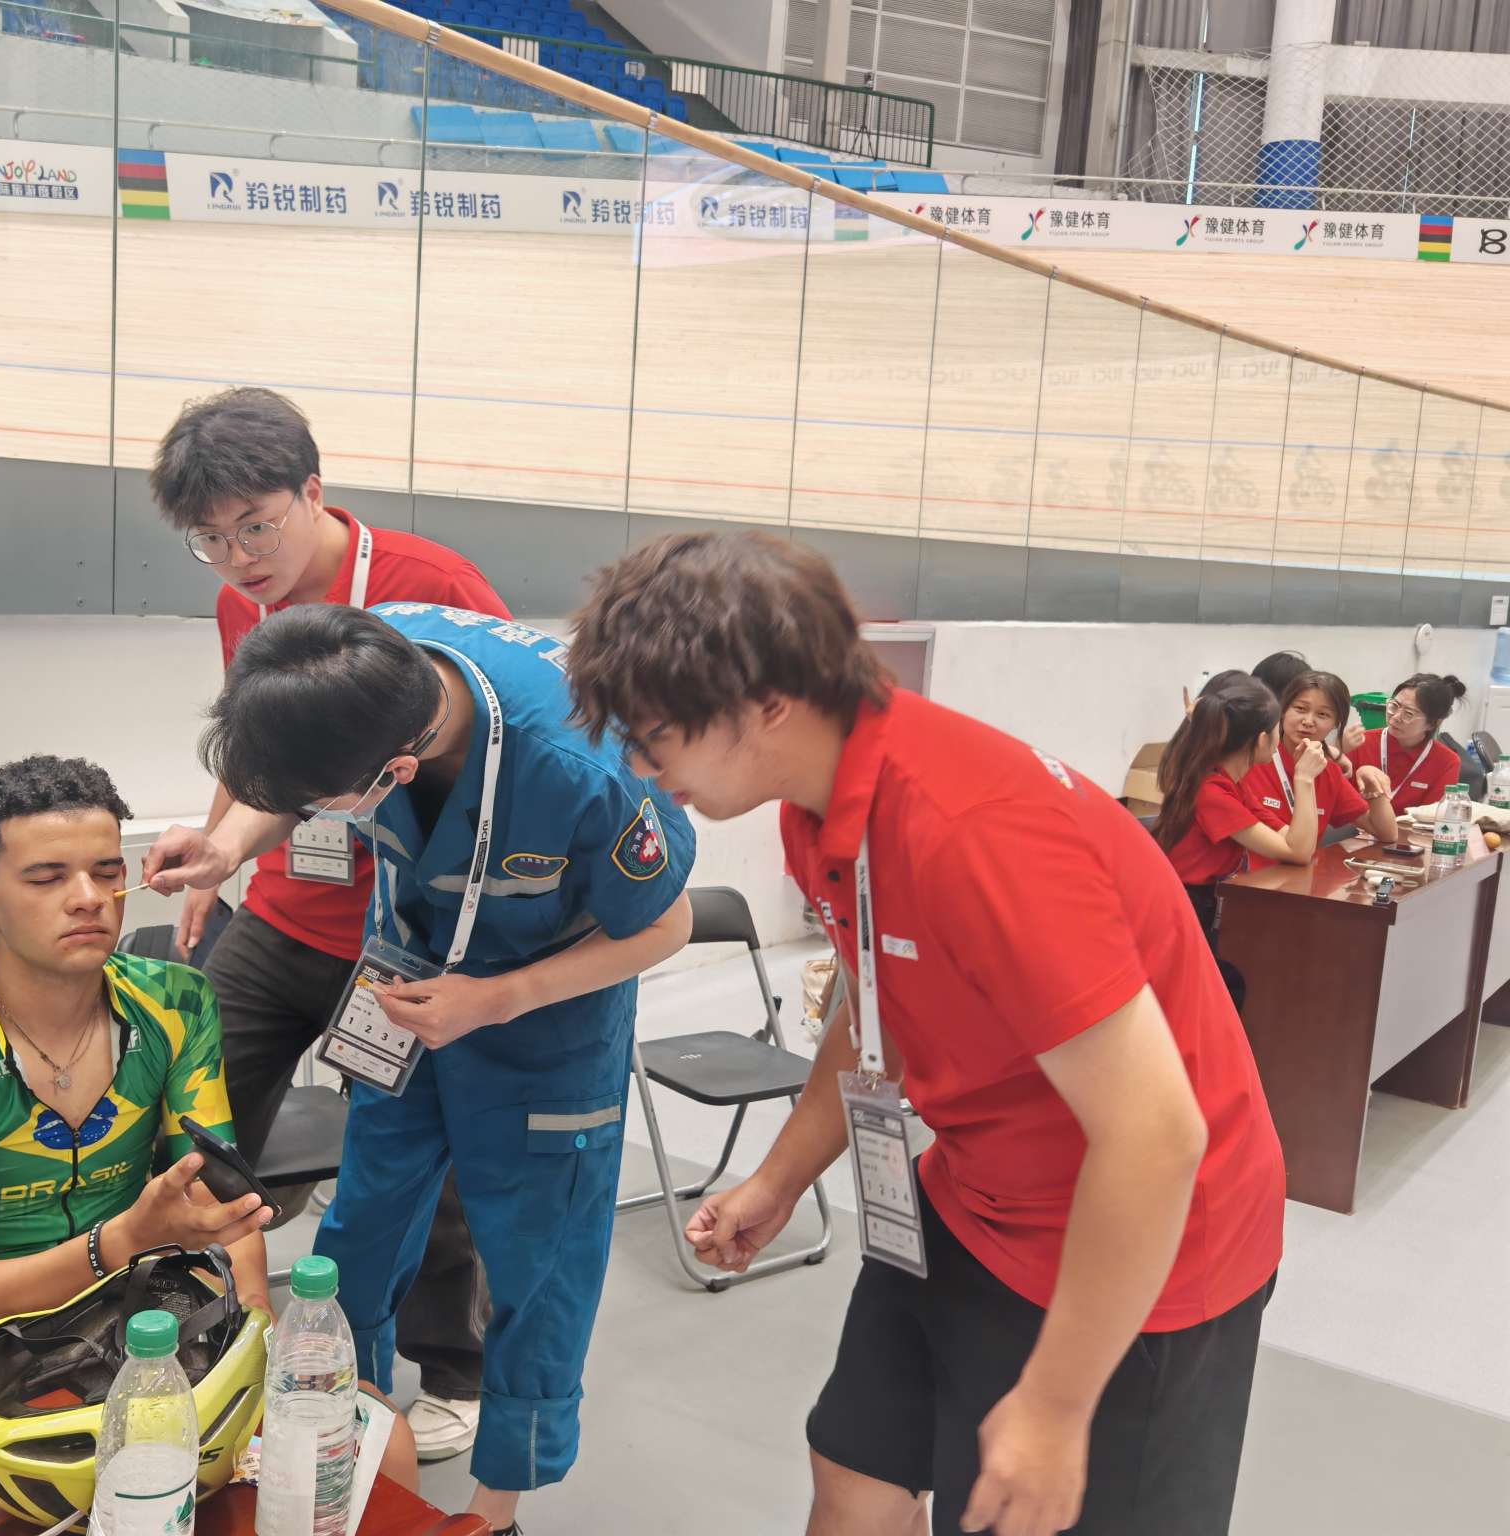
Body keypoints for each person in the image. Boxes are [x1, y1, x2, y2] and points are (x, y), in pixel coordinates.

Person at [563, 532, 1285, 1536]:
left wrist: (1055, 1404)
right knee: (853, 1471)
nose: (641, 769)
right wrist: (777, 1180)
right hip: (972, 1203)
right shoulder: (816, 809)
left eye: (653, 739)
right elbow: (876, 1016)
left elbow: (1157, 1139)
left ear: (765, 703)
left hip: (1138, 1247)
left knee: (1006, 1507)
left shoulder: (973, 830)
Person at [142, 602, 695, 1535]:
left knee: (537, 1262)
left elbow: (667, 924)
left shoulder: (581, 766)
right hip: (401, 992)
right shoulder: (357, 661)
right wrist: (227, 845)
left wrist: (501, 997)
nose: (312, 817)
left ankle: (495, 1509)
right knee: (363, 1220)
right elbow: (299, 782)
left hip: (546, 1024)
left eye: (325, 802)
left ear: (392, 772)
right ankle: (346, 1440)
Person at [150, 385, 507, 1460]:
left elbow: (500, 753)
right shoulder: (241, 604)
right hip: (285, 912)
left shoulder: (433, 588)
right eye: (210, 540)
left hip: (408, 928)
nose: (237, 558)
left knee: (408, 1145)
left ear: (314, 492)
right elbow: (258, 748)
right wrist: (218, 858)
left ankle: (457, 1368)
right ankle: (203, 1326)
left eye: (255, 527)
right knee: (193, 1103)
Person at [0, 755, 275, 1443]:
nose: (87, 898)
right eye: (47, 878)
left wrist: (253, 1333)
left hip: (138, 1298)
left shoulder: (177, 1002)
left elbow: (225, 1205)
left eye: (107, 872)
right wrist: (124, 1239)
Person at [1152, 673, 1323, 1008]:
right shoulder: (1211, 792)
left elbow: (1294, 840)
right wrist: (1304, 779)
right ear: (1261, 740)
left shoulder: (1232, 783)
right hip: (1181, 906)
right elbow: (1298, 850)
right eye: (1277, 728)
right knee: (1230, 989)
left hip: (1204, 902)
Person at [1238, 669, 1398, 845]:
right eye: (1300, 709)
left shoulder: (1329, 772)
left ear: (1335, 724)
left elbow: (1387, 834)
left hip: (1303, 862)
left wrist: (1373, 788)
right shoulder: (1252, 759)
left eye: (1322, 714)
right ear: (1283, 710)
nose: (1308, 721)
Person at [1346, 672, 1469, 815]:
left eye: (1409, 713)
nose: (1396, 717)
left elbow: (1431, 818)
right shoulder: (1359, 742)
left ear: (1433, 723)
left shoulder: (1447, 762)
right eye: (1394, 705)